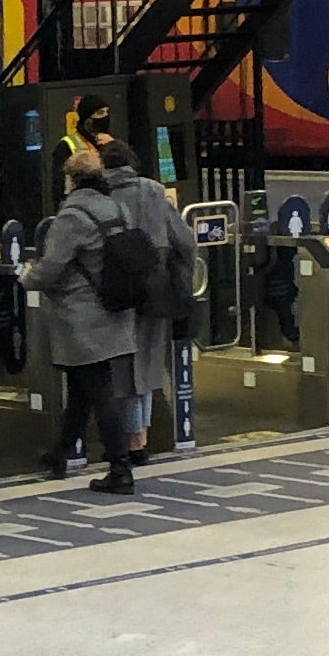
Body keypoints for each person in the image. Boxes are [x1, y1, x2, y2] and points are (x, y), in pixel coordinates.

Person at [22, 148, 145, 496]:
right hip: (114, 307)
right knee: (83, 388)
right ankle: (59, 454)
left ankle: (120, 468)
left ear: (71, 179)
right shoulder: (115, 206)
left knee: (98, 389)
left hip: (83, 316)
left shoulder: (72, 216)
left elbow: (51, 267)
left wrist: (24, 278)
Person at [101, 143, 198, 463]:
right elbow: (185, 241)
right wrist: (180, 283)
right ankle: (140, 436)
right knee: (148, 364)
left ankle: (134, 442)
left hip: (117, 290)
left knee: (125, 367)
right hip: (156, 287)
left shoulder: (101, 197)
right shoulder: (155, 191)